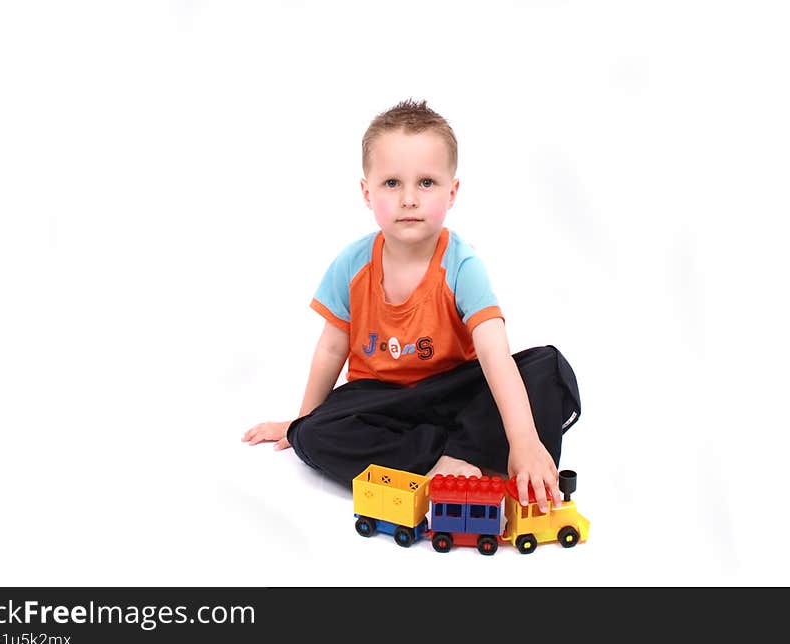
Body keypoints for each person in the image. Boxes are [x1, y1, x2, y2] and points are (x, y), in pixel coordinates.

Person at [242, 99, 581, 512]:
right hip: (384, 402)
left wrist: (525, 440)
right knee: (315, 434)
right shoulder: (351, 265)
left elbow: (495, 355)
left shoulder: (461, 265)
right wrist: (300, 423)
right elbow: (331, 349)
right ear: (366, 193)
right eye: (391, 184)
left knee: (549, 369)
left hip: (456, 391)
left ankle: (473, 454)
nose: (408, 199)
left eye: (426, 183)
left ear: (451, 192)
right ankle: (448, 459)